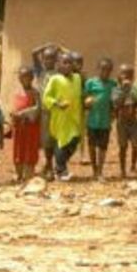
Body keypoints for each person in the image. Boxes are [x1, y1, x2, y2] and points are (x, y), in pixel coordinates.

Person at [42, 52, 82, 182]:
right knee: (62, 143)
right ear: (58, 65)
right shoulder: (55, 79)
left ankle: (59, 165)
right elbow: (46, 97)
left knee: (74, 141)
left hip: (74, 118)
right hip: (60, 118)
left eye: (70, 62)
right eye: (64, 62)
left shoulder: (77, 78)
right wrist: (57, 104)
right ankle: (61, 171)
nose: (68, 65)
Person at [83, 58, 116, 180]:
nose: (105, 72)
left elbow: (115, 100)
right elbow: (84, 98)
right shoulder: (91, 83)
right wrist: (88, 102)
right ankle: (94, 170)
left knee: (102, 147)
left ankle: (100, 171)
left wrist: (113, 113)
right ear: (98, 69)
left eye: (108, 70)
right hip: (92, 120)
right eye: (103, 69)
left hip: (105, 121)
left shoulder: (113, 84)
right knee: (92, 146)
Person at [32, 44, 60, 178]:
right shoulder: (40, 72)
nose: (48, 61)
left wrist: (60, 49)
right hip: (44, 111)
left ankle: (54, 166)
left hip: (56, 110)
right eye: (46, 58)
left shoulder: (60, 73)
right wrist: (47, 45)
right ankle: (48, 165)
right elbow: (33, 53)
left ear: (56, 60)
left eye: (51, 58)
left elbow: (71, 57)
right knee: (46, 141)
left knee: (55, 139)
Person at [11, 67, 41, 183]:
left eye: (27, 77)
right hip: (19, 127)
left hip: (30, 126)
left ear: (32, 78)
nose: (25, 79)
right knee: (18, 149)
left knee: (30, 149)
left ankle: (28, 174)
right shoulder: (17, 92)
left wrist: (23, 113)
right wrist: (13, 114)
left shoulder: (35, 93)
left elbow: (37, 109)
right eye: (22, 77)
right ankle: (19, 174)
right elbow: (15, 107)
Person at [112, 64, 137, 180]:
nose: (126, 77)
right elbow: (116, 102)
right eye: (124, 74)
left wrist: (130, 89)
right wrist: (124, 91)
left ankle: (133, 166)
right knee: (123, 146)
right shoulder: (116, 89)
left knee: (135, 145)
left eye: (129, 75)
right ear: (119, 76)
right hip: (121, 122)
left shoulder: (135, 88)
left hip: (133, 121)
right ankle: (122, 169)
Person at [70, 52, 89, 166]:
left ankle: (82, 155)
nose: (78, 64)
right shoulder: (66, 76)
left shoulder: (83, 76)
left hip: (80, 107)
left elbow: (86, 90)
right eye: (76, 62)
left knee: (81, 132)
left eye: (80, 62)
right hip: (68, 107)